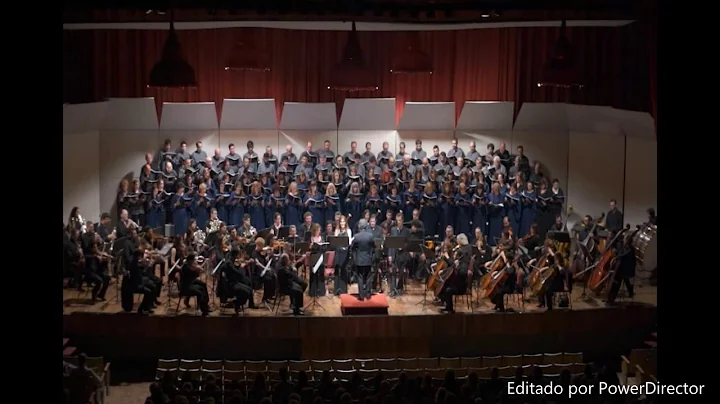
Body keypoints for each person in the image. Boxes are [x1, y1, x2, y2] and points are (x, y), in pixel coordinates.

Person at [351, 219, 375, 301]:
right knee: (368, 277)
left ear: (359, 226)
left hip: (359, 260)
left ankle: (361, 296)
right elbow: (373, 247)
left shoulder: (357, 236)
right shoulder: (370, 236)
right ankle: (368, 295)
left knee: (360, 278)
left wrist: (355, 258)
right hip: (368, 259)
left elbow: (353, 248)